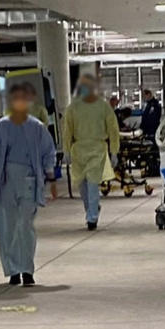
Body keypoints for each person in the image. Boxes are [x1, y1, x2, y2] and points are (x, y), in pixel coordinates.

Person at [0, 83, 57, 286]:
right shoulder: (0, 127)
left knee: (26, 225)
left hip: (28, 178)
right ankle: (13, 270)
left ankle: (26, 269)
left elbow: (49, 152)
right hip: (5, 180)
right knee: (8, 226)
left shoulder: (36, 127)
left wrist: (51, 177)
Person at [62, 74, 121, 230]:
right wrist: (66, 150)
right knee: (82, 186)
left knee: (93, 184)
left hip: (97, 149)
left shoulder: (103, 107)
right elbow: (67, 131)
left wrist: (114, 151)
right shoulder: (73, 108)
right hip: (78, 150)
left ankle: (92, 218)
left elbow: (113, 130)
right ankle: (92, 209)